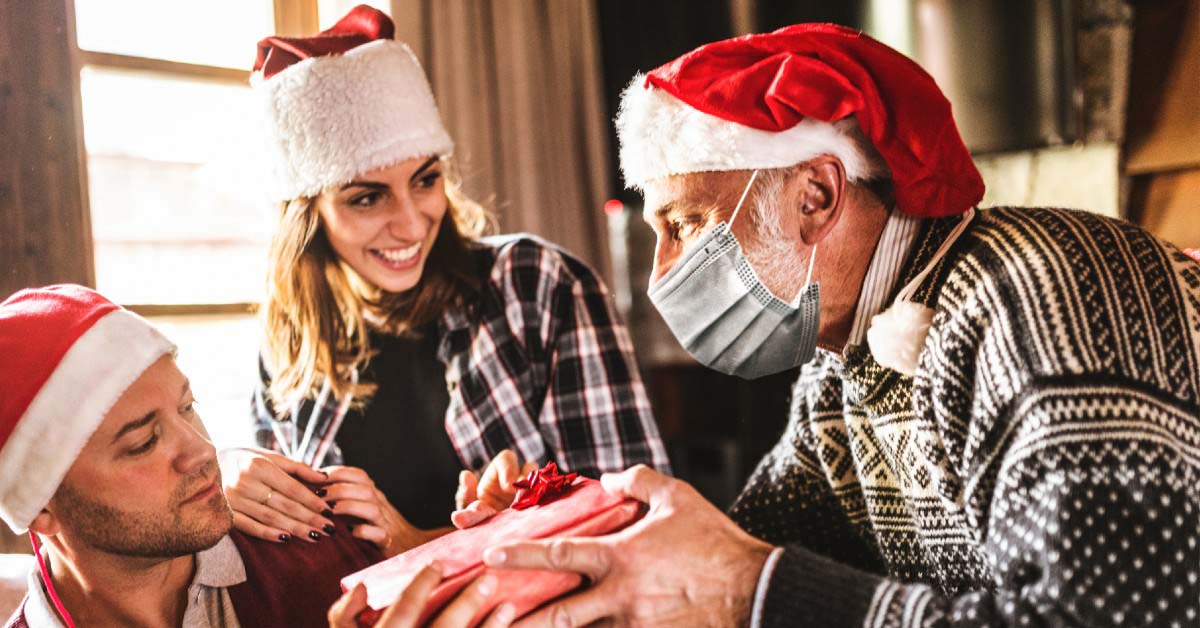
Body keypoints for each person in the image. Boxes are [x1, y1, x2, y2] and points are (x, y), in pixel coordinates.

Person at [481, 24, 1200, 627]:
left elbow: (1114, 615)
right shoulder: (841, 368)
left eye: (688, 224)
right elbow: (739, 545)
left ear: (816, 196)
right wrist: (553, 534)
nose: (662, 272)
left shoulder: (1044, 295)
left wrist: (748, 588)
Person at [222, 4, 670, 557]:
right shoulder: (288, 345)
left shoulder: (538, 287)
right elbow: (287, 563)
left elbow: (644, 530)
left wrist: (420, 545)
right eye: (367, 197)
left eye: (426, 179)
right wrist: (228, 481)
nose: (411, 223)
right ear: (307, 216)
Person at [0, 285, 501, 628]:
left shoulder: (311, 529)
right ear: (41, 507)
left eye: (187, 407)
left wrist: (499, 529)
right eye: (143, 443)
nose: (201, 451)